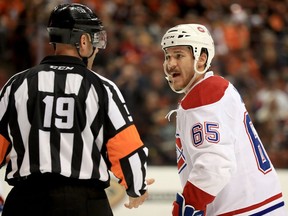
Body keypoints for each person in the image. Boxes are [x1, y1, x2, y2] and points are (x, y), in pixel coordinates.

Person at [0, 3, 154, 216]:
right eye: (94, 40)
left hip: (26, 201)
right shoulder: (102, 88)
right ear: (83, 41)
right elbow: (125, 146)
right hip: (84, 203)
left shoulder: (17, 85)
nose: (97, 48)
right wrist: (137, 186)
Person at [161, 24, 287, 216]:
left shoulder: (206, 93)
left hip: (243, 209)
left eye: (179, 55)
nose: (170, 64)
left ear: (201, 59)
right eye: (168, 56)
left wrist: (190, 203)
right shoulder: (213, 89)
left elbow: (215, 163)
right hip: (257, 205)